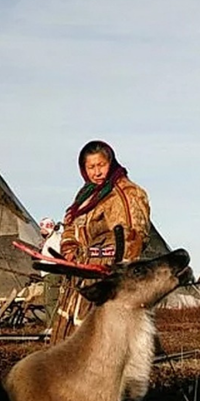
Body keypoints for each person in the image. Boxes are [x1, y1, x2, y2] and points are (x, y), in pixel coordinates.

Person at [49, 140, 150, 344]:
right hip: (79, 277)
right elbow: (71, 227)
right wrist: (69, 249)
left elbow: (134, 234)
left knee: (101, 340)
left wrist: (115, 269)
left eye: (101, 165)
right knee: (69, 342)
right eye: (91, 167)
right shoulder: (85, 196)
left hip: (106, 278)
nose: (96, 172)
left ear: (110, 163)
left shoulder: (125, 193)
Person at [37, 217, 63, 328]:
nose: (41, 232)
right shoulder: (51, 240)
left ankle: (52, 327)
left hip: (52, 273)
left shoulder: (54, 240)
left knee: (51, 301)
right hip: (49, 274)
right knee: (49, 301)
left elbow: (56, 256)